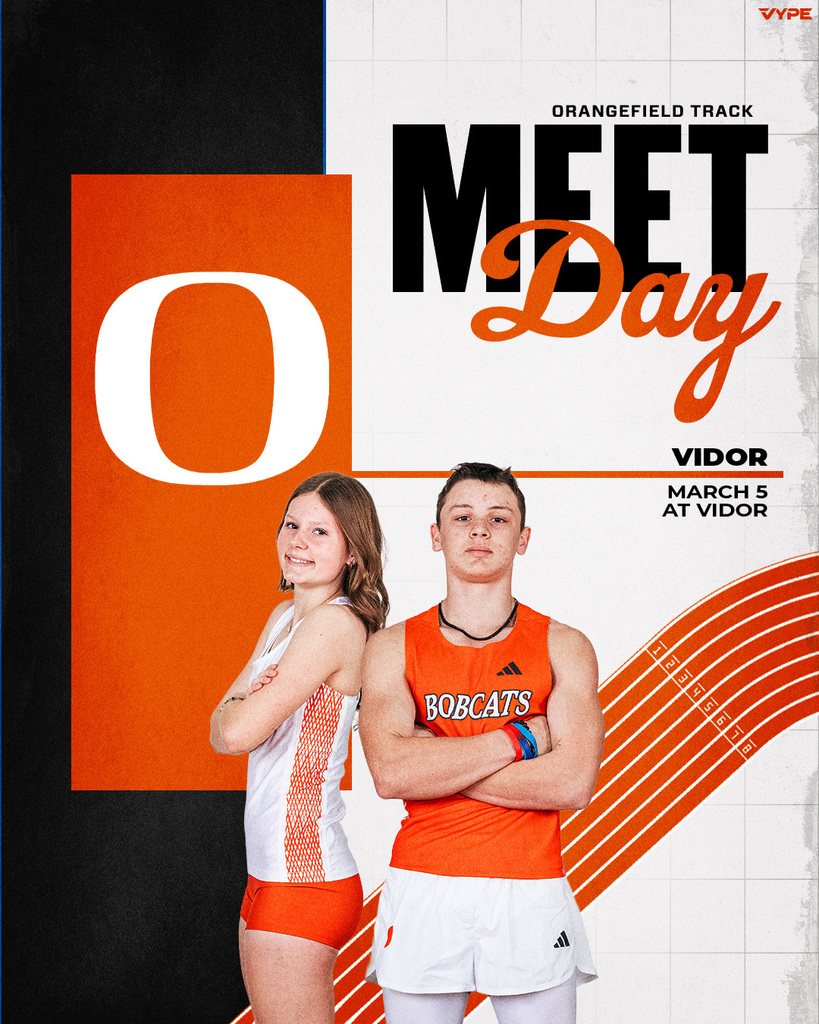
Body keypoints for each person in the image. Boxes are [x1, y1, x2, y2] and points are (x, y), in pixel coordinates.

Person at [359, 463, 604, 1024]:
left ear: (522, 539)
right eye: (462, 517)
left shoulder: (564, 645)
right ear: (435, 534)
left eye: (498, 519)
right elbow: (392, 773)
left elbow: (572, 781)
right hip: (424, 886)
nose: (479, 531)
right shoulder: (392, 647)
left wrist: (438, 756)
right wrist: (521, 737)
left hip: (529, 888)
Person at [210, 472, 389, 1024]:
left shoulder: (335, 625)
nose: (297, 542)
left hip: (303, 878)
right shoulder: (285, 618)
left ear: (353, 552)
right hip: (269, 873)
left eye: (319, 532)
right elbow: (220, 730)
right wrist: (239, 711)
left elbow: (237, 731)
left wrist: (242, 708)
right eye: (291, 525)